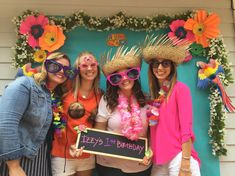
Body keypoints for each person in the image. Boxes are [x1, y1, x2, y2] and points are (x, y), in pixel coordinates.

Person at [0, 52, 72, 176]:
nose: (61, 71)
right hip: (18, 158)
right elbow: (6, 123)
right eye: (56, 66)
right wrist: (14, 166)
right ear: (45, 66)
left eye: (66, 69)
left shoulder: (55, 96)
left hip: (41, 158)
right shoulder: (25, 84)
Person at [142, 35, 201, 176]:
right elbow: (156, 133)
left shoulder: (180, 89)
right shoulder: (156, 98)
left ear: (172, 67)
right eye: (156, 64)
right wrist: (149, 152)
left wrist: (185, 164)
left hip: (179, 157)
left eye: (165, 64)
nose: (160, 67)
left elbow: (186, 128)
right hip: (159, 161)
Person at [94, 47, 152, 176]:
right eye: (117, 77)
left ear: (136, 75)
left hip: (139, 165)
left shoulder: (147, 100)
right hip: (109, 165)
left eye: (130, 73)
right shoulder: (107, 100)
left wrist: (149, 154)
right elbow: (99, 131)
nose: (124, 79)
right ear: (113, 81)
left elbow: (152, 133)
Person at [51, 51, 102, 176]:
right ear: (77, 69)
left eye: (93, 64)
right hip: (62, 153)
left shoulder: (100, 95)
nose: (89, 68)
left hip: (86, 153)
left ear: (97, 67)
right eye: (84, 65)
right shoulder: (65, 88)